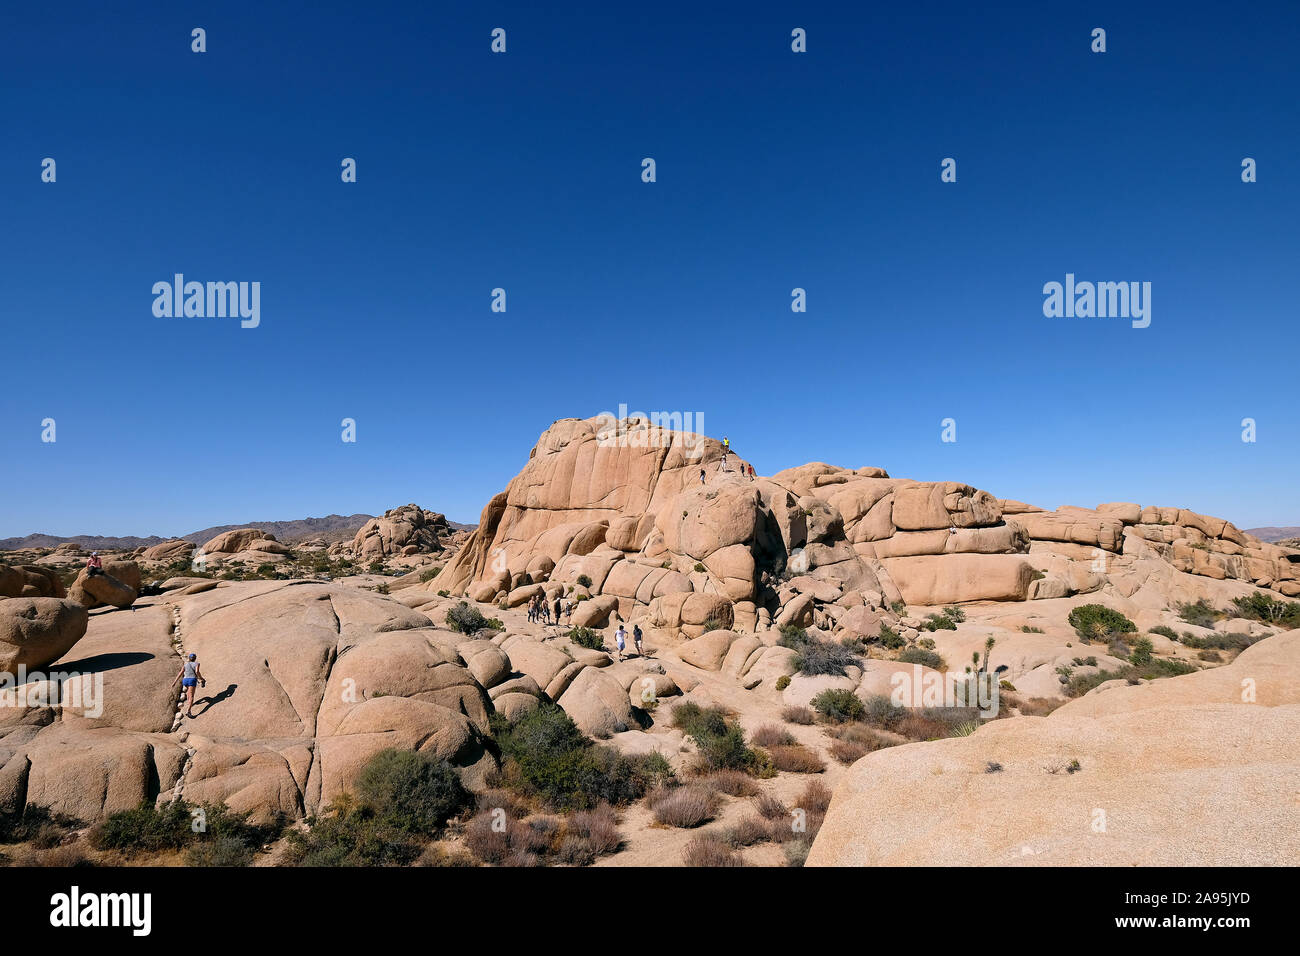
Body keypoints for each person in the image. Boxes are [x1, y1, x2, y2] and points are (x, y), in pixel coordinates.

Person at [175, 653, 206, 719]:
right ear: (195, 658)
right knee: (191, 696)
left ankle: (190, 703)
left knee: (188, 693)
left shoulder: (185, 664)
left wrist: (175, 682)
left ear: (189, 658)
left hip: (185, 680)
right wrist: (201, 678)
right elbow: (197, 672)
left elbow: (181, 672)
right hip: (192, 680)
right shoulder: (197, 664)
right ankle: (188, 711)